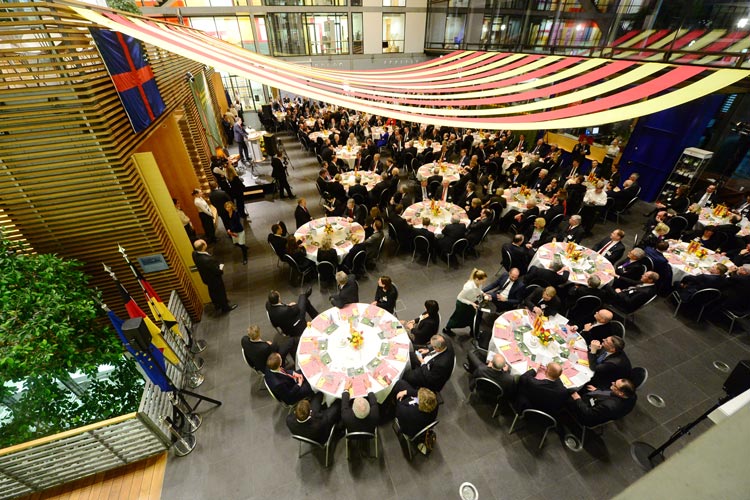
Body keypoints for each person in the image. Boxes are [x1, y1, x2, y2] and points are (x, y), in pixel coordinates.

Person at [192, 239, 237, 313]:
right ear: (204, 246)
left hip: (206, 278)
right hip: (214, 279)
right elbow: (217, 271)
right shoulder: (207, 260)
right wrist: (221, 267)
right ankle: (225, 307)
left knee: (212, 291)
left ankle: (217, 304)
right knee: (220, 292)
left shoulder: (194, 254)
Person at [569, 379, 637, 427]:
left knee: (567, 394)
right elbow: (609, 394)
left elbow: (588, 414)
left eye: (615, 385)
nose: (612, 383)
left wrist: (578, 399)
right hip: (597, 403)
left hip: (587, 416)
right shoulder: (632, 396)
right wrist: (597, 391)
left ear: (621, 393)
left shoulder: (608, 406)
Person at [444, 268, 489, 336]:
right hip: (463, 305)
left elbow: (479, 290)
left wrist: (483, 293)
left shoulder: (478, 283)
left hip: (471, 303)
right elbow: (459, 298)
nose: (483, 283)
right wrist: (472, 303)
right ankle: (447, 328)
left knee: (471, 318)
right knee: (458, 318)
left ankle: (473, 332)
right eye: (483, 281)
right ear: (477, 279)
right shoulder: (468, 288)